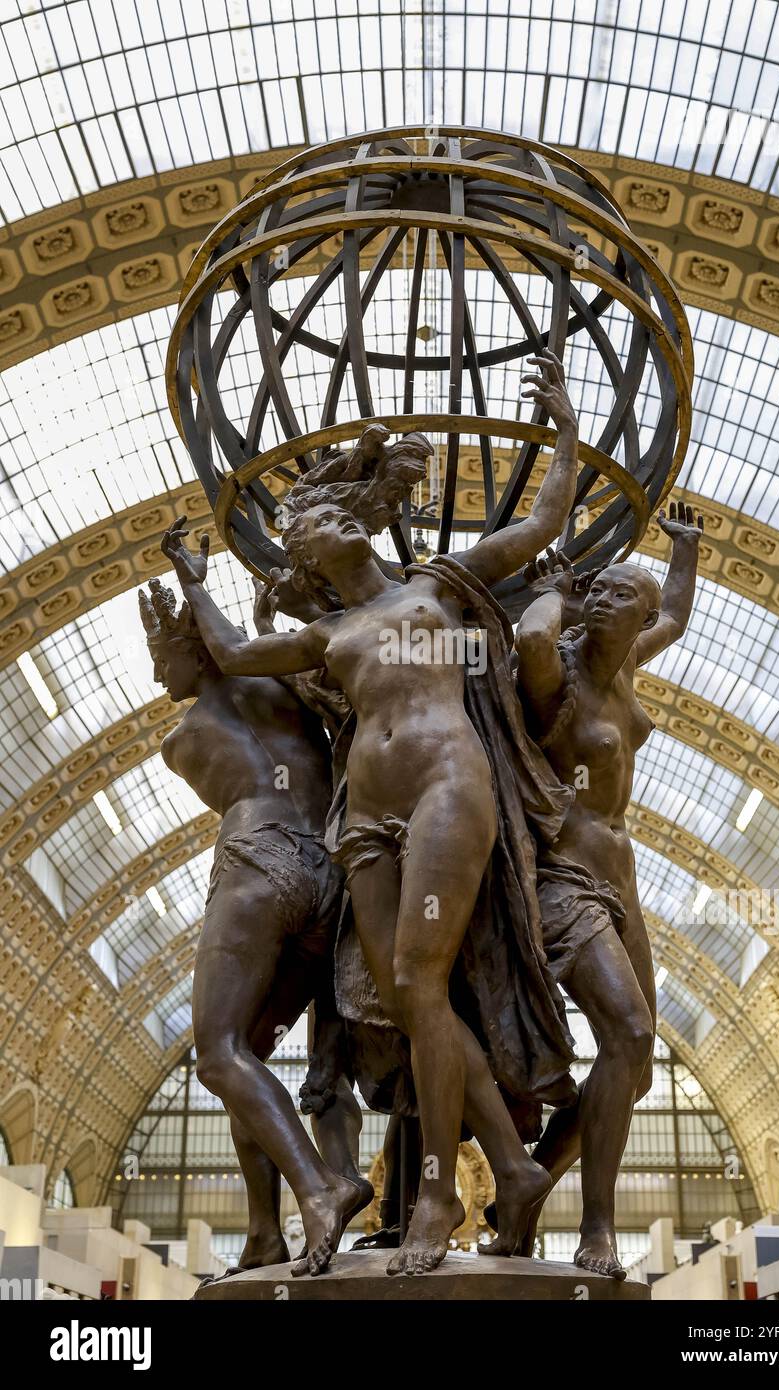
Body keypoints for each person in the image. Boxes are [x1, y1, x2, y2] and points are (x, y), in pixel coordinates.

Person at [161, 349, 582, 1276]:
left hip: (444, 790)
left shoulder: (436, 583)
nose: (307, 536)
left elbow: (546, 518)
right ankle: (511, 1169)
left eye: (316, 522)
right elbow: (230, 652)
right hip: (365, 820)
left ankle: (440, 1186)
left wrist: (563, 428)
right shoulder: (323, 633)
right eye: (301, 533)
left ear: (356, 526)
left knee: (423, 985)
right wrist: (194, 577)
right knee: (399, 999)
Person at [139, 576, 373, 1279]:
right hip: (330, 879)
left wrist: (211, 620)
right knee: (248, 1061)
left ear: (198, 651)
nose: (158, 675)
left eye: (162, 657)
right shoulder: (292, 691)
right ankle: (265, 1237)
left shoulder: (180, 741)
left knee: (217, 1054)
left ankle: (319, 1187)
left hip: (257, 866)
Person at [502, 500, 703, 1277]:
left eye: (626, 595)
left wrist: (683, 547)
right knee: (629, 1035)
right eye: (605, 592)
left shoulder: (626, 665)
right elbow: (528, 636)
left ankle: (526, 1189)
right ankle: (596, 1229)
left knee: (639, 1062)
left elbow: (677, 616)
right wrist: (555, 589)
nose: (609, 601)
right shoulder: (561, 671)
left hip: (625, 888)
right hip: (565, 881)